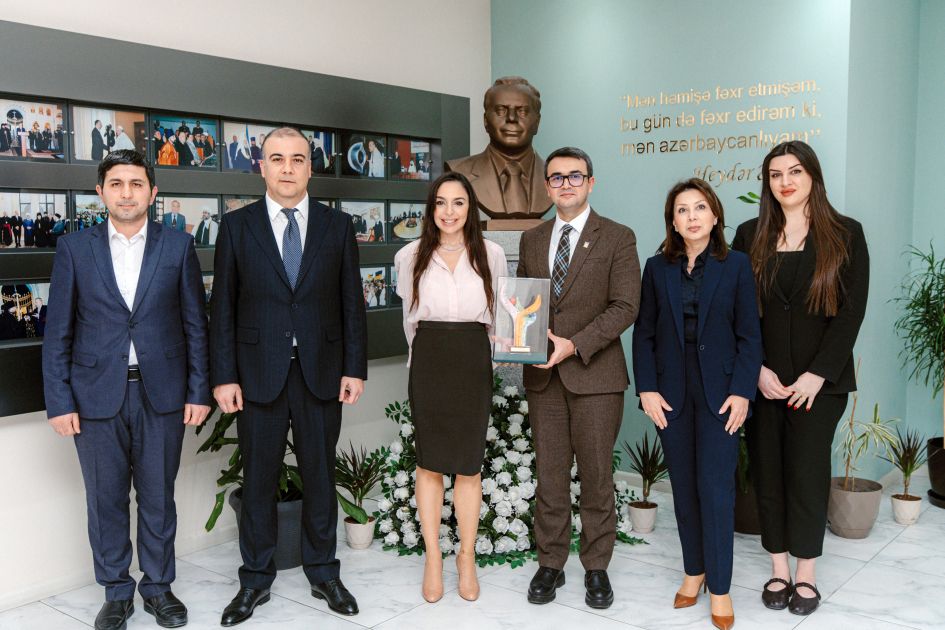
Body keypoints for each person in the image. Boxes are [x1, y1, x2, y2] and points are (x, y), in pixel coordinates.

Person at [42, 149, 210, 630]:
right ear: (101, 192)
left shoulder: (178, 246)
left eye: (136, 184)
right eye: (116, 184)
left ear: (152, 193)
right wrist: (59, 400)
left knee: (158, 497)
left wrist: (198, 391)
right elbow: (58, 332)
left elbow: (196, 326)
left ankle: (158, 588)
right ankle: (116, 591)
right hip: (94, 396)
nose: (127, 193)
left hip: (163, 394)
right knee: (105, 499)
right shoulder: (75, 248)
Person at [211, 127, 367, 626]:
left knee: (320, 476)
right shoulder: (236, 227)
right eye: (276, 158)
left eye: (297, 159)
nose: (286, 168)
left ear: (309, 168)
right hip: (258, 374)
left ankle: (324, 572)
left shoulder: (337, 226)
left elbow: (351, 303)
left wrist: (354, 368)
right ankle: (255, 579)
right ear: (261, 167)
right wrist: (224, 376)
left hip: (322, 372)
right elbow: (223, 308)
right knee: (258, 480)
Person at [732, 140, 869, 616]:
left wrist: (817, 375)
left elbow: (851, 313)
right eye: (775, 174)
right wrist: (756, 370)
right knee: (767, 472)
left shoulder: (846, 234)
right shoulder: (749, 235)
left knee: (807, 474)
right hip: (764, 381)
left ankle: (806, 572)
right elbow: (739, 311)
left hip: (819, 386)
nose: (785, 182)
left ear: (813, 176)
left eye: (794, 172)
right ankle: (778, 568)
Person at [632, 178, 762, 630]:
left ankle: (720, 588)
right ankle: (694, 571)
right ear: (672, 221)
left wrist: (743, 391)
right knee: (684, 487)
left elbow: (750, 336)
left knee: (716, 489)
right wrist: (646, 389)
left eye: (700, 207)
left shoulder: (737, 265)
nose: (692, 216)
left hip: (721, 393)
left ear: (715, 215)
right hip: (670, 392)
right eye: (682, 210)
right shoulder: (657, 268)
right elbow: (644, 333)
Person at [516, 147, 640, 609]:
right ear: (547, 187)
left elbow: (626, 306)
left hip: (596, 376)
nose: (565, 184)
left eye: (574, 176)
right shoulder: (532, 239)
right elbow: (523, 302)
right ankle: (550, 563)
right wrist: (521, 341)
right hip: (544, 379)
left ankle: (596, 567)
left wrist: (575, 344)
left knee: (596, 477)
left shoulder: (618, 237)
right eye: (556, 177)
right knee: (549, 477)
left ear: (591, 182)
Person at [394, 172, 507, 604]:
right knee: (429, 465)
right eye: (440, 202)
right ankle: (433, 558)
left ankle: (466, 557)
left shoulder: (492, 254)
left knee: (469, 466)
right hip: (430, 360)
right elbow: (410, 322)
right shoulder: (410, 255)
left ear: (470, 208)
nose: (449, 211)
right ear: (431, 209)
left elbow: (499, 317)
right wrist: (424, 358)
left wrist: (488, 360)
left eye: (458, 202)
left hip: (472, 360)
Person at [446, 76, 553, 219]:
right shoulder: (459, 171)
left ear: (537, 123)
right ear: (485, 121)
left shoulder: (555, 177)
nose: (511, 118)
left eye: (522, 111)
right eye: (501, 110)